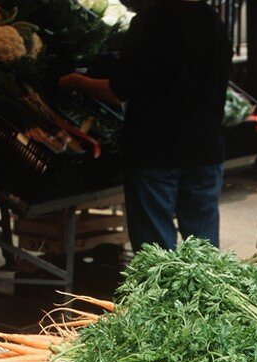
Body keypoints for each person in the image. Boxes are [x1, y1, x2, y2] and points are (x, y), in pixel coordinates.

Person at [60, 0, 231, 252]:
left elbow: (119, 90)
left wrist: (77, 81)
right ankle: (205, 292)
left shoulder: (150, 21)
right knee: (205, 251)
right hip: (205, 148)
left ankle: (162, 293)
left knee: (156, 254)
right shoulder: (212, 20)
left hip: (155, 150)